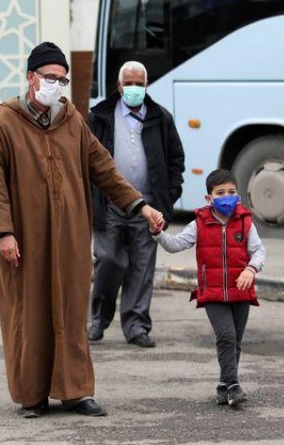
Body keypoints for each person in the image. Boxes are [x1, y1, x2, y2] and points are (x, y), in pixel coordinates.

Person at [0, 42, 164, 419]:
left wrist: (140, 205)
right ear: (31, 78)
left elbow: (105, 169)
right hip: (24, 239)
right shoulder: (2, 123)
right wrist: (2, 233)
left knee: (71, 313)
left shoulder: (72, 121)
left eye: (61, 80)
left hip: (71, 238)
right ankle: (32, 395)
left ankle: (75, 391)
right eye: (50, 77)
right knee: (29, 314)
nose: (56, 85)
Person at [86, 61, 185, 348]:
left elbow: (176, 159)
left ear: (146, 85)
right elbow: (86, 160)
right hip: (109, 204)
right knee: (109, 260)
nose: (133, 89)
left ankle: (136, 326)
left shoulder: (160, 117)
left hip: (150, 206)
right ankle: (98, 321)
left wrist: (168, 197)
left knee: (142, 267)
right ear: (119, 86)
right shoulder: (100, 117)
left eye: (138, 84)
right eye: (128, 84)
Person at [148, 169, 266, 407]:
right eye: (220, 193)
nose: (227, 197)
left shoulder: (245, 222)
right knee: (226, 336)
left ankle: (224, 385)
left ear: (238, 194)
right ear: (209, 198)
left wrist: (250, 270)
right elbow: (175, 244)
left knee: (235, 341)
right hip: (212, 293)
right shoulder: (199, 223)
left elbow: (259, 251)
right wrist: (157, 232)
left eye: (231, 192)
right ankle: (234, 385)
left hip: (241, 292)